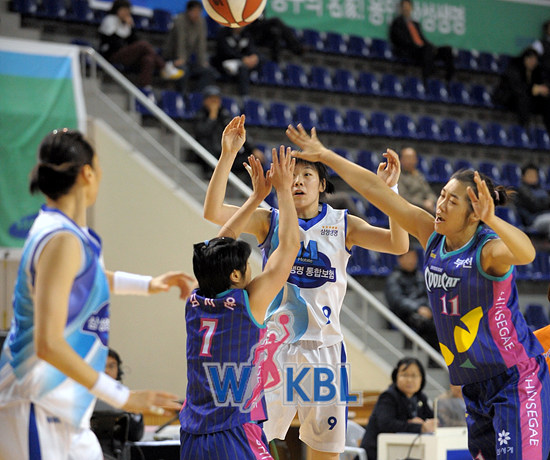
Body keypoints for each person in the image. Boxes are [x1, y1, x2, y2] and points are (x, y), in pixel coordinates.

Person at [286, 123, 550, 460]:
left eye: (452, 201)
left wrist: (494, 220)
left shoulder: (488, 251)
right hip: (474, 386)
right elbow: (376, 191)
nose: (441, 205)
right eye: (442, 195)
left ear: (473, 215)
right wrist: (325, 155)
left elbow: (526, 253)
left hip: (514, 379)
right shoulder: (431, 235)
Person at [203, 118, 408, 459]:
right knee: (251, 444)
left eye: (307, 175)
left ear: (322, 183)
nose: (298, 181)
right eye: (293, 175)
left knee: (325, 452)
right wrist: (227, 155)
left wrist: (390, 193)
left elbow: (398, 244)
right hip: (273, 347)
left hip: (325, 349)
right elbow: (212, 212)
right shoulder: (270, 219)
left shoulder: (343, 224)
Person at [0, 129, 194, 460]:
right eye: (100, 166)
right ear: (87, 173)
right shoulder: (60, 240)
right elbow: (48, 343)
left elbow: (86, 278)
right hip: (35, 405)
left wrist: (148, 284)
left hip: (65, 412)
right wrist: (123, 397)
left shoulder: (70, 236)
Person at [179, 117, 300, 459]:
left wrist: (254, 194)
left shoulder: (195, 299)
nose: (251, 268)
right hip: (233, 430)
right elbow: (289, 247)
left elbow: (219, 245)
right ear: (234, 275)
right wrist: (282, 191)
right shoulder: (247, 304)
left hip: (192, 433)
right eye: (247, 265)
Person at [360, 357, 434, 460]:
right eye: (404, 375)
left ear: (422, 379)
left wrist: (432, 423)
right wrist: (419, 427)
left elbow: (431, 418)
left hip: (406, 449)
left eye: (414, 375)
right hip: (378, 451)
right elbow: (386, 424)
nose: (409, 380)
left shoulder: (421, 398)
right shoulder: (388, 396)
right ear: (396, 377)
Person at [98, 0, 183, 89]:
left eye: (127, 11)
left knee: (149, 59)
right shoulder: (109, 20)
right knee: (143, 45)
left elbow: (134, 41)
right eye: (123, 10)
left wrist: (130, 27)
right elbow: (114, 43)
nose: (126, 13)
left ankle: (144, 88)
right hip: (112, 55)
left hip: (127, 56)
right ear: (117, 10)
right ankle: (164, 67)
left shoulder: (127, 23)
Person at [193, 85, 264, 177]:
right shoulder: (200, 115)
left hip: (226, 152)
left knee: (254, 160)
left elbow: (239, 132)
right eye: (212, 99)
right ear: (205, 101)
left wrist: (253, 148)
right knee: (205, 146)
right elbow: (201, 133)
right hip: (210, 155)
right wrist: (212, 116)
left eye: (216, 99)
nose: (215, 102)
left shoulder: (225, 114)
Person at [384, 246, 439, 352]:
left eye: (414, 257)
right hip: (405, 315)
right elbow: (397, 301)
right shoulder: (394, 278)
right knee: (431, 326)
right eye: (408, 257)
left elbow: (430, 295)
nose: (411, 261)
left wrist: (428, 309)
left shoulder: (420, 277)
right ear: (400, 259)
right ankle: (433, 359)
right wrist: (418, 308)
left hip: (424, 312)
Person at [389, 0, 455, 82]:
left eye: (408, 7)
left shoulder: (416, 24)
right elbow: (399, 40)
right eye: (404, 7)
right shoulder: (397, 23)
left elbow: (422, 39)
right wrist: (419, 46)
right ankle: (427, 78)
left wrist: (432, 47)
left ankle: (449, 79)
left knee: (446, 50)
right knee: (427, 49)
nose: (406, 9)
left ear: (411, 8)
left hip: (422, 50)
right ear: (401, 9)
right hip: (409, 51)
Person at [163, 0, 218, 94]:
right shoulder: (180, 20)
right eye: (195, 11)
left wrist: (202, 61)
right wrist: (180, 58)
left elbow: (201, 44)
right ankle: (182, 95)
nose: (197, 14)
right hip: (173, 57)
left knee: (209, 72)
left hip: (186, 60)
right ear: (188, 11)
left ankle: (196, 95)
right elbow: (180, 42)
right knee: (183, 70)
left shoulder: (201, 22)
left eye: (199, 12)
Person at [493, 47, 550, 136]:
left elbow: (540, 84)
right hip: (509, 97)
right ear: (525, 59)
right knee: (523, 99)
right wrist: (532, 89)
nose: (533, 62)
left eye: (535, 60)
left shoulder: (536, 71)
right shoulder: (514, 69)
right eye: (531, 59)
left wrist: (542, 90)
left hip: (527, 98)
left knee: (546, 101)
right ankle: (524, 130)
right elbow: (516, 88)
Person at [213, 27, 262, 95]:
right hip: (225, 61)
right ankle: (244, 95)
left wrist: (253, 56)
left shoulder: (246, 34)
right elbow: (225, 51)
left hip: (242, 62)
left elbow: (251, 48)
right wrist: (242, 58)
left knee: (259, 60)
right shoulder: (223, 33)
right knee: (242, 69)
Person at [514, 162, 550, 236]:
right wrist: (546, 202)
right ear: (523, 176)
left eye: (535, 175)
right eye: (530, 175)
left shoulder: (541, 189)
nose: (533, 177)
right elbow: (535, 205)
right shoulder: (522, 190)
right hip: (533, 220)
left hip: (546, 215)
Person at [398, 147, 436, 213]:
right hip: (409, 210)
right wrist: (423, 204)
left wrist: (430, 200)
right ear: (401, 160)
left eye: (412, 158)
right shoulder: (398, 176)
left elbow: (429, 192)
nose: (410, 161)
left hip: (426, 208)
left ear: (416, 160)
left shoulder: (419, 175)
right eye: (407, 158)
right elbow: (403, 197)